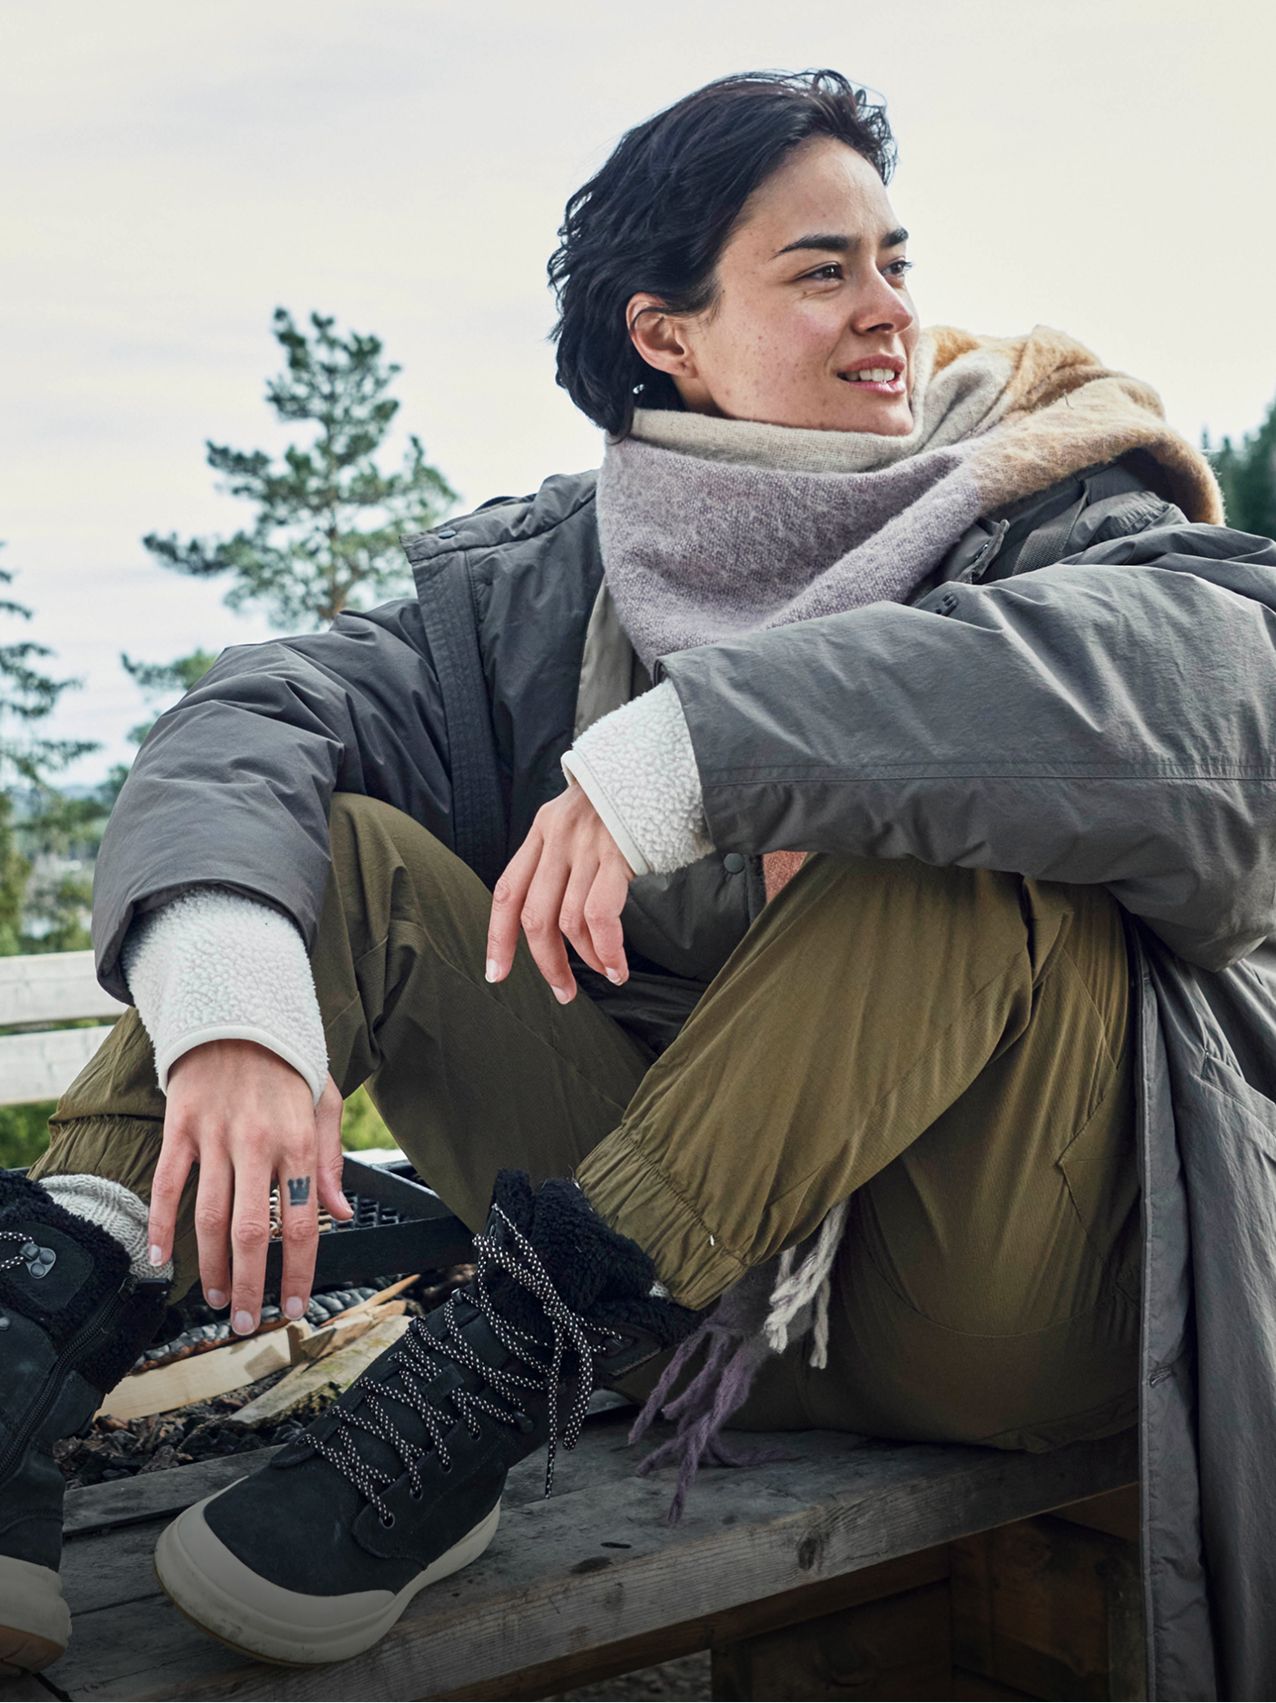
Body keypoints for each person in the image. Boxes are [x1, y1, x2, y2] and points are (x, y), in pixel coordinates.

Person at [2, 67, 1274, 1694]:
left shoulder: (1052, 509)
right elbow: (252, 719)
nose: (891, 312)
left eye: (895, 259)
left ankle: (509, 1360)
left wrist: (700, 746)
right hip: (669, 1306)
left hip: (997, 1297)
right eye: (824, 271)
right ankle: (34, 1346)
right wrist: (234, 1013)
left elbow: (1228, 690)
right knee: (325, 845)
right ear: (663, 331)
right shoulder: (549, 588)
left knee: (964, 822)